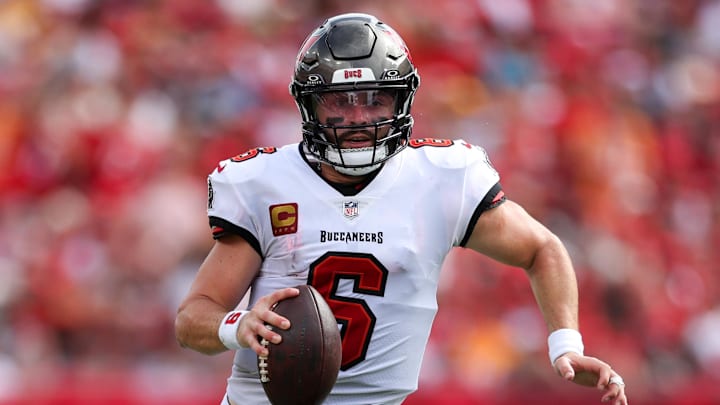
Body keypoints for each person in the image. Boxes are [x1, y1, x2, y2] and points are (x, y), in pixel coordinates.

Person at [174, 12, 629, 405]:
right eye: (339, 102)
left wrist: (565, 343)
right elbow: (193, 317)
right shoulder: (265, 185)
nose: (357, 119)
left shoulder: (443, 177)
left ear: (402, 99)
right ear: (309, 105)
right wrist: (238, 326)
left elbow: (542, 249)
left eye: (375, 100)